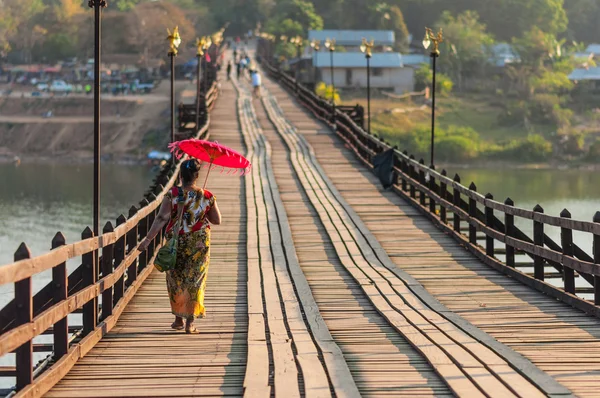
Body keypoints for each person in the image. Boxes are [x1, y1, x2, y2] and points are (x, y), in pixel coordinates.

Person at [138, 159, 222, 333]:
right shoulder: (207, 196)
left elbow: (161, 218)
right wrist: (202, 209)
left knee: (176, 279)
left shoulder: (173, 194)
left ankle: (178, 320)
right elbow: (217, 220)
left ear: (181, 176)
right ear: (197, 176)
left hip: (177, 241)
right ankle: (190, 323)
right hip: (199, 244)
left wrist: (147, 240)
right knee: (195, 280)